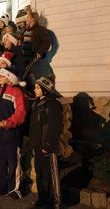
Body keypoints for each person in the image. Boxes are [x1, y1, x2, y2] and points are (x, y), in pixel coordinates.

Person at [0, 66, 26, 200]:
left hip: (11, 134)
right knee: (0, 162)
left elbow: (20, 114)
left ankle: (14, 188)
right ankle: (0, 185)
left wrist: (6, 123)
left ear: (9, 77)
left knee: (13, 162)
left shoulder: (17, 93)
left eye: (2, 75)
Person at [29, 76, 62, 209]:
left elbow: (55, 126)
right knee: (40, 173)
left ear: (45, 90)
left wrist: (48, 145)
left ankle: (54, 202)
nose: (34, 90)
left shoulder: (52, 104)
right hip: (37, 145)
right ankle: (42, 199)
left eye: (37, 88)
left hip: (46, 145)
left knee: (49, 174)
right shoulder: (36, 103)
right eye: (35, 87)